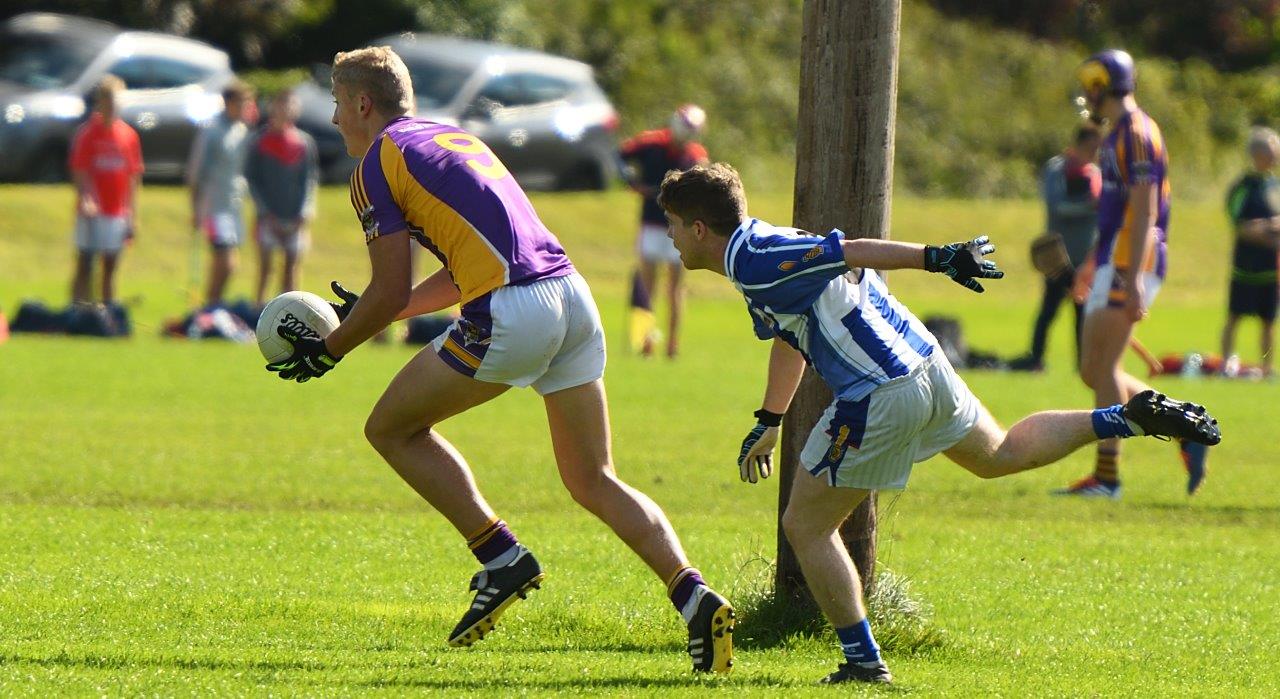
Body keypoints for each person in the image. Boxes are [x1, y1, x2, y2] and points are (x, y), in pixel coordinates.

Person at [264, 47, 735, 673]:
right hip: (571, 298)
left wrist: (328, 350)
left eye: (335, 106)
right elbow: (453, 270)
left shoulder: (378, 161)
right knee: (593, 478)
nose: (333, 120)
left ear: (362, 104)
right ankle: (694, 597)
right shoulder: (448, 135)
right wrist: (393, 311)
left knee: (391, 428)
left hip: (513, 311)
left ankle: (501, 557)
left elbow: (386, 289)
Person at [656, 162, 1220, 685]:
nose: (672, 239)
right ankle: (1125, 416)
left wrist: (938, 257)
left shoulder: (753, 259)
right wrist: (771, 417)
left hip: (880, 392)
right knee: (998, 455)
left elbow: (848, 251)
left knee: (806, 526)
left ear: (701, 229)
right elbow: (791, 335)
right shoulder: (754, 249)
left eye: (675, 226)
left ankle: (863, 662)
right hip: (925, 361)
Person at [1057, 49, 1211, 498]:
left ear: (1104, 85)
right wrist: (1092, 263)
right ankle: (1183, 424)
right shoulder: (1117, 134)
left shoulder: (1137, 134)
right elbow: (1116, 211)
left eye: (1092, 82)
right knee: (1093, 370)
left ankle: (1107, 477)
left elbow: (1145, 208)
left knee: (1104, 367)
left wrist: (1135, 275)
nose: (1088, 92)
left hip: (1132, 262)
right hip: (1114, 259)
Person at [1009, 124, 1102, 372]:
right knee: (1048, 310)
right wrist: (1092, 205)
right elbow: (1057, 205)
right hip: (1058, 257)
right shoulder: (1057, 169)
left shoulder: (1095, 173)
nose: (1095, 152)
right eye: (1092, 146)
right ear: (1081, 143)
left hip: (1085, 259)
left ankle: (1083, 364)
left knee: (1083, 315)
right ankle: (1036, 358)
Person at [619, 105, 708, 357]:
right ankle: (644, 340)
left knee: (675, 287)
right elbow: (620, 155)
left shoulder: (696, 157)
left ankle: (672, 343)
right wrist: (632, 182)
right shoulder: (650, 143)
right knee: (647, 285)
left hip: (679, 229)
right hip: (651, 223)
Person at [68, 74, 143, 307]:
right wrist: (86, 197)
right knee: (85, 262)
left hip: (116, 210)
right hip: (93, 209)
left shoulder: (128, 135)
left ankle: (107, 310)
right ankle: (77, 308)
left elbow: (133, 175)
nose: (112, 107)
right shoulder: (88, 133)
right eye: (108, 102)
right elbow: (79, 169)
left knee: (110, 263)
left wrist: (132, 213)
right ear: (100, 103)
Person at [245, 89, 320, 306]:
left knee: (292, 268)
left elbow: (309, 180)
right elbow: (253, 180)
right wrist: (264, 212)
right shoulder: (260, 141)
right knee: (265, 268)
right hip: (268, 216)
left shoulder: (303, 143)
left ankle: (289, 309)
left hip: (295, 216)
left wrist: (305, 211)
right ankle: (259, 310)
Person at [188, 80, 255, 308]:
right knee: (226, 262)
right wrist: (196, 208)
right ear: (228, 103)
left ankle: (214, 304)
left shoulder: (242, 130)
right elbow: (197, 173)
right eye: (240, 102)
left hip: (233, 206)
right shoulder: (212, 131)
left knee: (229, 263)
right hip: (214, 207)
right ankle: (210, 306)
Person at [1220, 127, 1280, 377]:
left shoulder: (1276, 185)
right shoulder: (1244, 186)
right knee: (1235, 317)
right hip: (1245, 265)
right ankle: (1226, 365)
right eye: (1272, 148)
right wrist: (1268, 227)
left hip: (1270, 267)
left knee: (1268, 321)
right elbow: (1240, 226)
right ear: (1258, 153)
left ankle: (1266, 368)